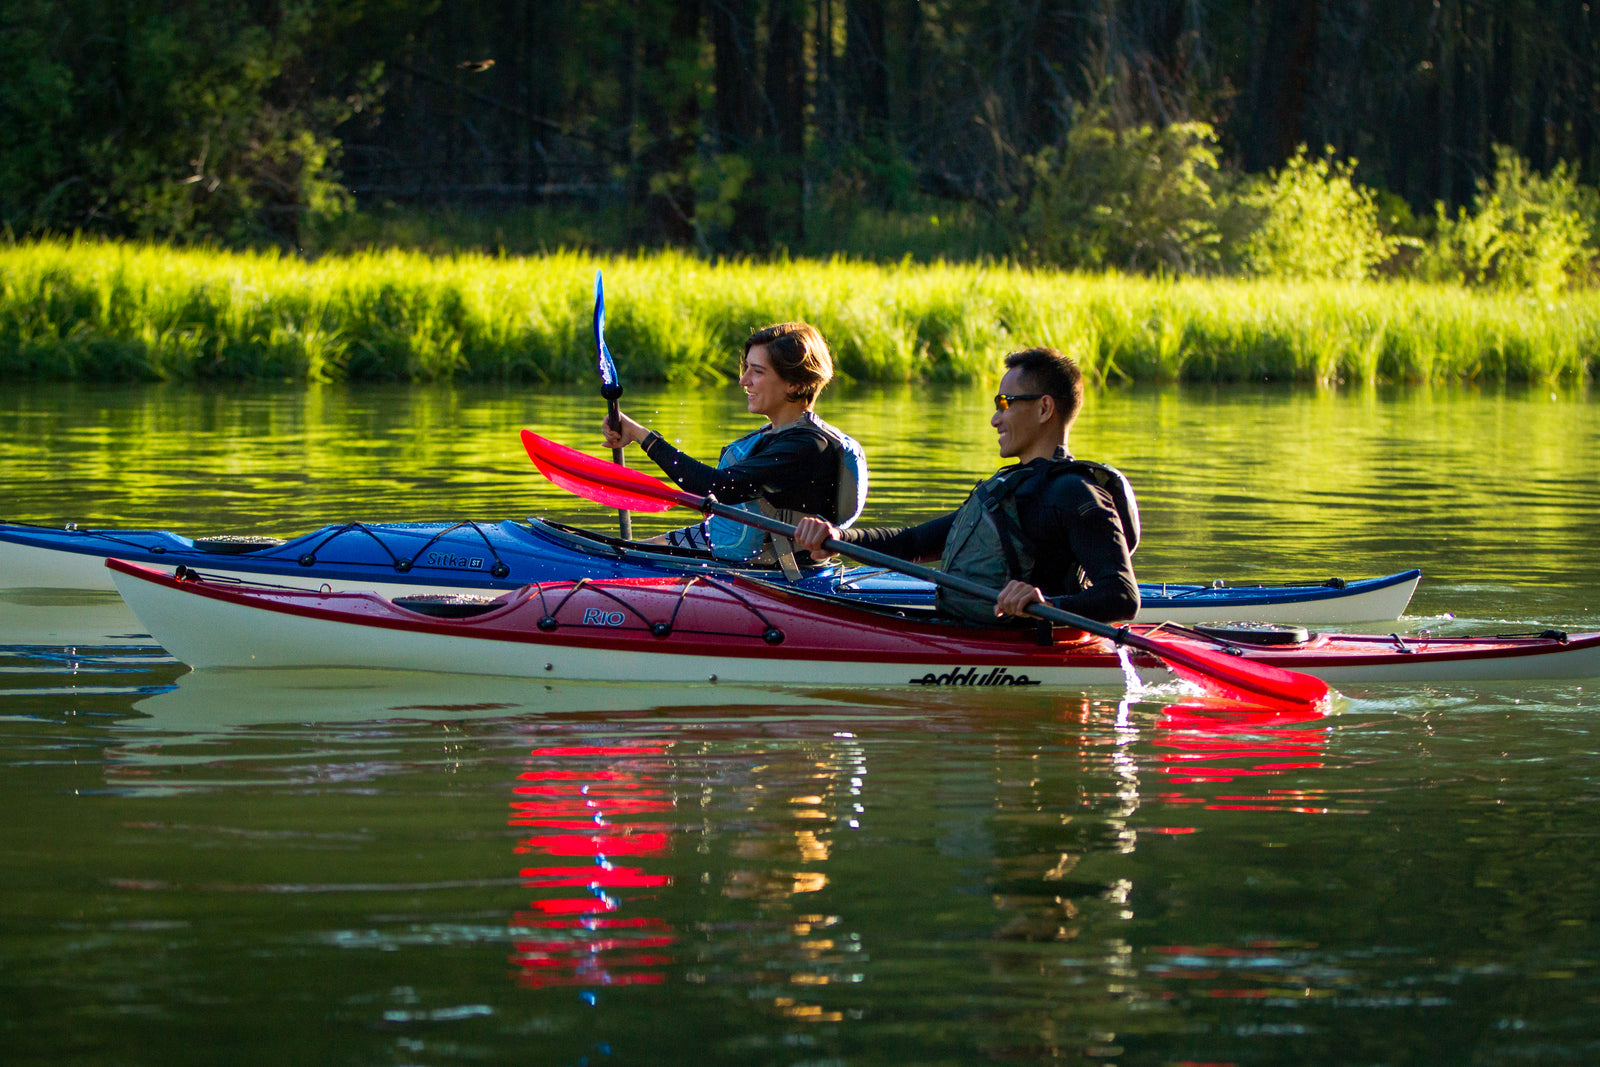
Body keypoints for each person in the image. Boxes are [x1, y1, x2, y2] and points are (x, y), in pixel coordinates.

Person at [792, 346, 1140, 625]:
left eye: (1005, 403)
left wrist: (1047, 603)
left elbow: (1122, 596)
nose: (995, 418)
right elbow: (915, 542)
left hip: (1025, 645)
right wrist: (840, 539)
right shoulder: (1009, 487)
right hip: (964, 628)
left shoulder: (1075, 493)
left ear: (1045, 408)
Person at [602, 321, 867, 574]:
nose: (743, 381)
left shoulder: (806, 447)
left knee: (617, 559)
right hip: (743, 562)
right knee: (618, 554)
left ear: (794, 384)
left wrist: (642, 436)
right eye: (747, 368)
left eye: (757, 371)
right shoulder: (782, 436)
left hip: (776, 580)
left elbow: (717, 488)